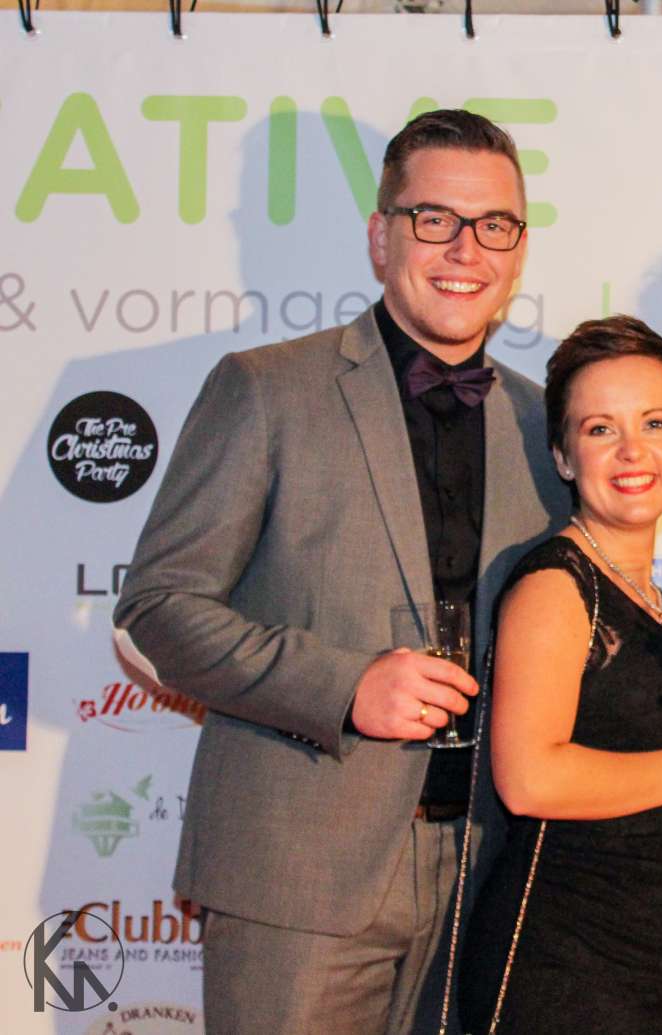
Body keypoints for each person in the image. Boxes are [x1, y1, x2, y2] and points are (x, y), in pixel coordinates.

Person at [112, 109, 569, 1034]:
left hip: (484, 876)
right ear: (380, 236)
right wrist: (346, 684)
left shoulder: (543, 423)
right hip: (298, 874)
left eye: (494, 225)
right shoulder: (266, 387)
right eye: (435, 219)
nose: (466, 250)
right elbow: (158, 607)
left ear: (520, 250)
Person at [458, 315, 662, 1035]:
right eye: (601, 428)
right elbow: (530, 779)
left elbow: (646, 782)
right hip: (560, 977)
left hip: (650, 979)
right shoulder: (556, 586)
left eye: (655, 423)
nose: (633, 450)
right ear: (563, 456)